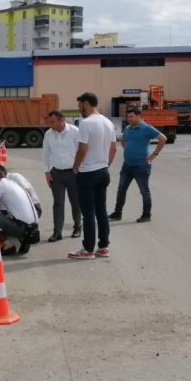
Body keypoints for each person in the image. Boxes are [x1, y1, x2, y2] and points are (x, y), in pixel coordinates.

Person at [70, 92, 116, 260]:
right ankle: (103, 246)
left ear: (87, 103)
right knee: (101, 211)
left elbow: (82, 149)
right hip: (103, 172)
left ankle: (88, 249)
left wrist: (75, 167)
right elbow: (114, 148)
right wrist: (105, 164)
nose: (79, 108)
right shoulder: (108, 122)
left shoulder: (86, 123)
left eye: (80, 105)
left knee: (88, 213)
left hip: (87, 173)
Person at [109, 104, 167, 223]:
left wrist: (154, 154)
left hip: (141, 166)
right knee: (121, 189)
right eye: (128, 117)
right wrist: (128, 150)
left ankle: (146, 215)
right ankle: (117, 213)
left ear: (139, 116)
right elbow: (124, 140)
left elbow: (163, 139)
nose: (129, 119)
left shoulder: (147, 128)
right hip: (127, 165)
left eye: (131, 117)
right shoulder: (127, 128)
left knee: (144, 191)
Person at [42, 110, 81, 241]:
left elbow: (82, 151)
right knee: (58, 203)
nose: (50, 124)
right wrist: (47, 172)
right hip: (56, 173)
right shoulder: (48, 134)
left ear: (61, 120)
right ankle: (57, 232)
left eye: (52, 121)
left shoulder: (75, 132)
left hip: (73, 173)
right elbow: (46, 153)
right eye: (49, 121)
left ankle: (77, 227)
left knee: (75, 201)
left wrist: (79, 168)